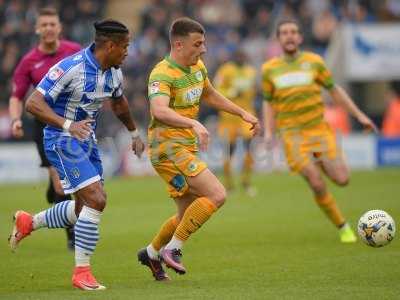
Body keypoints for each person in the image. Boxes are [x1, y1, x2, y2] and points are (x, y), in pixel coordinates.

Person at [9, 19, 145, 291]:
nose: (128, 52)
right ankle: (81, 273)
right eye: (125, 47)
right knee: (97, 199)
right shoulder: (71, 68)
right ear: (110, 45)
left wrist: (133, 133)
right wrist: (68, 125)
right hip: (62, 138)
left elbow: (118, 103)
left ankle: (30, 221)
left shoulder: (114, 72)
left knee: (84, 208)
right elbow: (33, 103)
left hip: (87, 141)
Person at [137, 17, 260, 281]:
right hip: (167, 149)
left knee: (185, 215)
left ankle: (151, 252)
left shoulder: (197, 67)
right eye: (198, 44)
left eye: (203, 43)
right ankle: (174, 249)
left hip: (185, 147)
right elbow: (158, 109)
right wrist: (194, 122)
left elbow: (211, 95)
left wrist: (242, 113)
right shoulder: (161, 73)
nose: (203, 49)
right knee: (217, 194)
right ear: (178, 45)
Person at [261, 19, 377, 243]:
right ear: (278, 39)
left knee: (342, 179)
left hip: (319, 131)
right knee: (315, 181)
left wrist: (360, 115)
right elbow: (268, 102)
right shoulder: (269, 69)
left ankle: (320, 162)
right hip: (291, 135)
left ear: (300, 37)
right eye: (284, 32)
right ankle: (343, 227)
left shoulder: (314, 62)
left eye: (293, 31)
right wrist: (268, 131)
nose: (289, 36)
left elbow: (335, 91)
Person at [8, 7, 81, 249]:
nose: (49, 28)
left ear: (59, 27)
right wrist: (16, 120)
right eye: (44, 24)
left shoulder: (73, 52)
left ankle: (55, 187)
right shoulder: (28, 61)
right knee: (61, 183)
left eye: (53, 24)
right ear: (38, 29)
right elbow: (17, 96)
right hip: (45, 127)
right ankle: (72, 234)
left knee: (75, 180)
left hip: (73, 123)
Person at [214, 50, 258, 196]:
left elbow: (253, 90)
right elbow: (216, 90)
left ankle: (246, 182)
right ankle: (229, 184)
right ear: (234, 57)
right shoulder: (225, 70)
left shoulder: (251, 71)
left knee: (249, 147)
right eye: (238, 55)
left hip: (246, 116)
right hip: (228, 118)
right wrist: (232, 92)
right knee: (228, 152)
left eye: (243, 55)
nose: (241, 58)